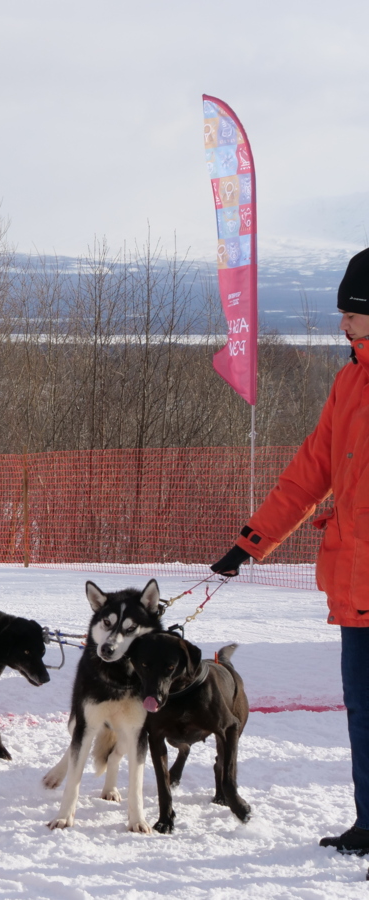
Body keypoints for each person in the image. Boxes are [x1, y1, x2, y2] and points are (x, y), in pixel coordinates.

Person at [211, 247, 369, 855]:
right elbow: (310, 474)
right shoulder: (349, 381)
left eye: (351, 314)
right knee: (364, 714)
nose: (342, 324)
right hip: (355, 589)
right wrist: (249, 544)